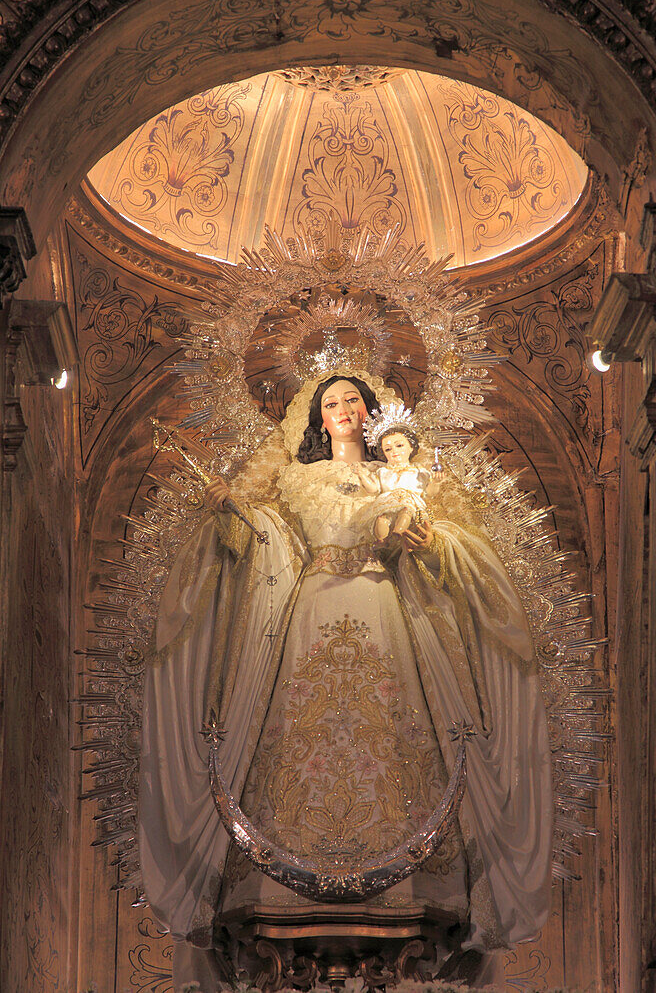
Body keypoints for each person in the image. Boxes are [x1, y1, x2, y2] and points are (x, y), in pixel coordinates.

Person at [139, 370, 553, 992]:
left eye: (352, 400)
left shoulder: (401, 475)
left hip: (387, 609)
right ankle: (278, 874)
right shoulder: (295, 480)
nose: (342, 410)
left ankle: (415, 874)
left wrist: (427, 538)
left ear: (371, 411)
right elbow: (269, 541)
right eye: (329, 402)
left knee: (399, 730)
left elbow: (440, 547)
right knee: (295, 731)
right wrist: (236, 515)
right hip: (308, 613)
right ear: (314, 416)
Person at [354, 402, 443, 541]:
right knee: (382, 518)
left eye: (399, 445)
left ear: (411, 447)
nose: (394, 451)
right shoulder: (382, 472)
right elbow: (372, 489)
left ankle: (398, 533)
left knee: (406, 511)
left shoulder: (419, 471)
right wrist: (361, 475)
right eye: (388, 449)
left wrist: (436, 482)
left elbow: (429, 493)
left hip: (410, 505)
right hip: (388, 503)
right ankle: (382, 540)